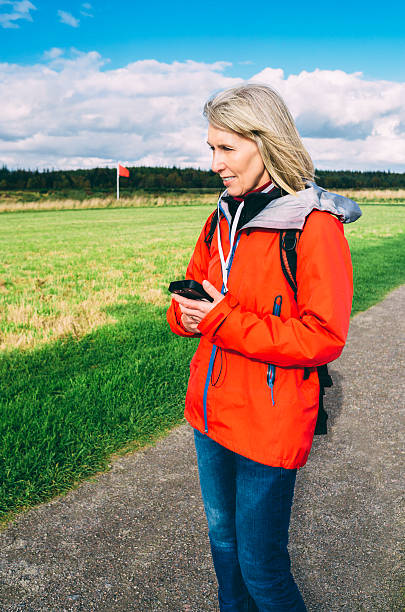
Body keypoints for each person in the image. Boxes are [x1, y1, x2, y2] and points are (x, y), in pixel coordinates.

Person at [166, 84, 361, 611]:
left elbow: (323, 336)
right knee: (224, 549)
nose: (214, 163)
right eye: (211, 148)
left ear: (266, 142)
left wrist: (221, 320)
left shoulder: (314, 227)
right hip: (208, 414)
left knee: (263, 567)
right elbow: (196, 287)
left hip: (268, 423)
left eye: (226, 148)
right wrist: (185, 316)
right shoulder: (221, 216)